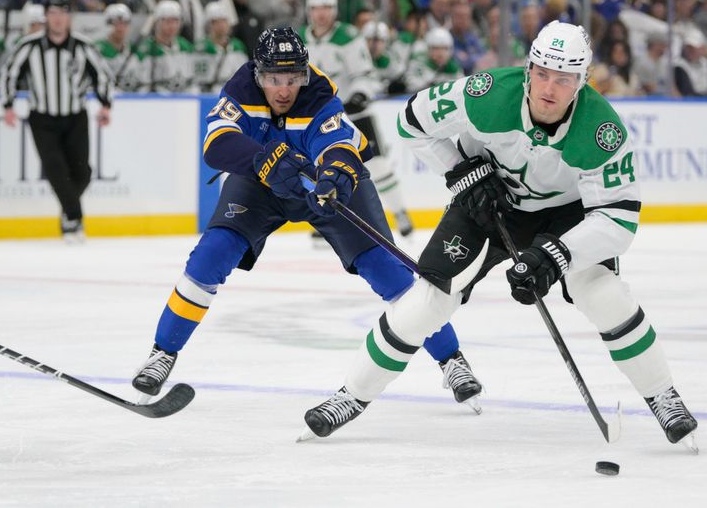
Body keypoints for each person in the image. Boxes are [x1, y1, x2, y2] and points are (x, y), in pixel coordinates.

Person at [302, 20, 699, 449]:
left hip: (565, 216)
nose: (549, 88)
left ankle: (664, 395)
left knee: (603, 293)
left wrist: (555, 256)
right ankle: (351, 396)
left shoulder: (603, 132)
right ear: (528, 70)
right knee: (427, 302)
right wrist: (461, 171)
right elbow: (411, 120)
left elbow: (617, 220)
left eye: (563, 79)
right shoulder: (486, 93)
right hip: (485, 205)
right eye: (542, 73)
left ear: (582, 82)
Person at [131, 27, 483, 415]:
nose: (283, 90)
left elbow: (340, 147)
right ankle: (162, 353)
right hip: (260, 184)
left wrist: (335, 175)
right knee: (210, 256)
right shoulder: (240, 90)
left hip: (319, 186)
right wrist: (261, 159)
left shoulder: (319, 94)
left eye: (293, 79)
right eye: (273, 80)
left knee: (390, 273)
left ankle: (452, 360)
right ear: (257, 74)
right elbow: (216, 144)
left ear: (305, 74)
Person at [299, 0, 414, 237]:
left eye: (327, 8)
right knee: (323, 165)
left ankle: (399, 211)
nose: (322, 14)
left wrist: (359, 95)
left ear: (335, 11)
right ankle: (328, 214)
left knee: (378, 164)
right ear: (309, 11)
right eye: (317, 8)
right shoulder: (300, 39)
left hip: (354, 113)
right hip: (320, 118)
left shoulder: (348, 36)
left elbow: (364, 74)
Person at [0, 0, 113, 242]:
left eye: (62, 13)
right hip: (42, 119)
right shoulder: (30, 46)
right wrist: (7, 105)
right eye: (53, 13)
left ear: (68, 17)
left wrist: (105, 104)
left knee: (82, 173)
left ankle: (67, 213)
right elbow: (9, 73)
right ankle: (74, 219)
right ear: (46, 16)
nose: (58, 19)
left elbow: (102, 75)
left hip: (75, 117)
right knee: (56, 168)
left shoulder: (82, 46)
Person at [134, 0, 197, 93]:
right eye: (168, 21)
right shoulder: (146, 49)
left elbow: (192, 79)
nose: (172, 26)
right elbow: (142, 85)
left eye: (176, 21)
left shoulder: (185, 46)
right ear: (157, 23)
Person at [193, 2, 247, 93]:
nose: (221, 25)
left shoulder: (238, 46)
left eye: (224, 21)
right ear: (208, 25)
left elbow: (244, 75)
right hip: (210, 93)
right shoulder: (201, 48)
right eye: (215, 22)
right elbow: (197, 78)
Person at [96, 3, 141, 92]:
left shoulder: (134, 49)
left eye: (124, 23)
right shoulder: (96, 49)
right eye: (116, 23)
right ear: (107, 24)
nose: (120, 28)